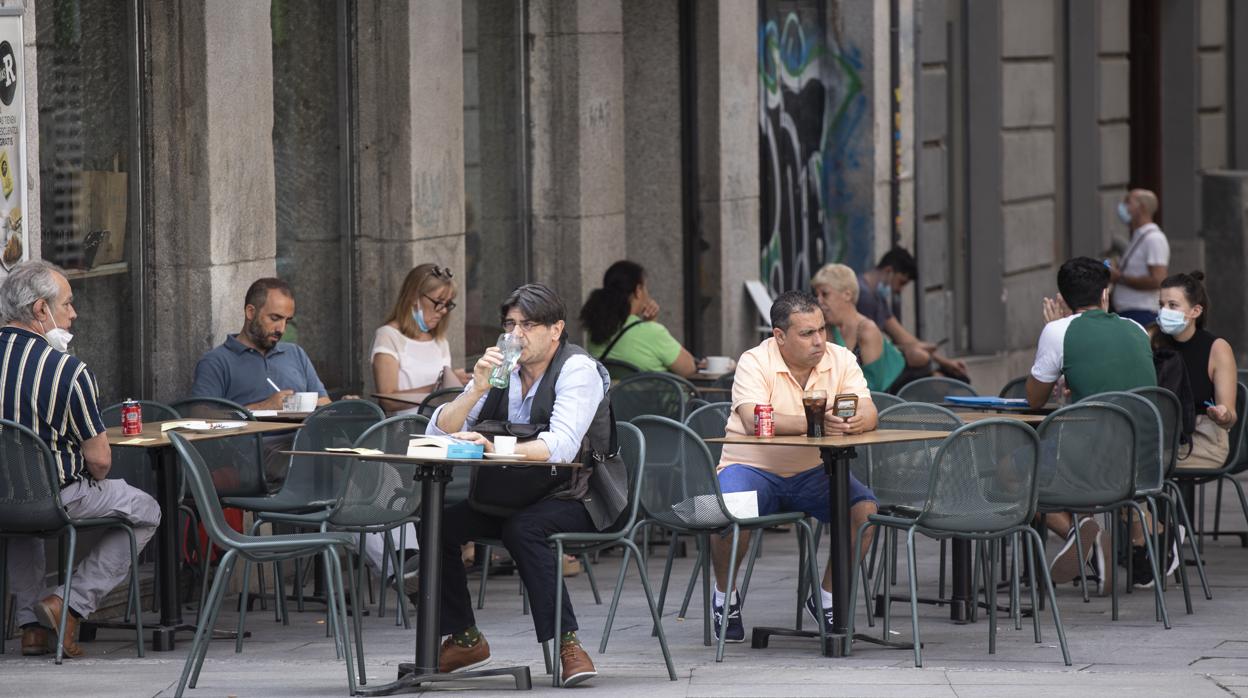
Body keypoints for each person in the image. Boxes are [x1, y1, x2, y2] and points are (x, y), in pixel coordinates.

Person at [426, 283, 627, 687]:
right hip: (510, 494)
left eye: (528, 325)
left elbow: (561, 447)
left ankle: (567, 643)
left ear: (556, 329)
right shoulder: (500, 370)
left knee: (526, 529)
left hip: (578, 494)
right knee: (435, 522)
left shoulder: (577, 369)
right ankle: (465, 637)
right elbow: (439, 431)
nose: (515, 335)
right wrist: (478, 388)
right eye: (510, 325)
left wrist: (495, 449)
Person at [0, 261, 161, 658]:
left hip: (3, 501)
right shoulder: (67, 370)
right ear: (41, 310)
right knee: (146, 509)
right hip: (59, 496)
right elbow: (100, 461)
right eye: (68, 304)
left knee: (21, 520)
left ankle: (32, 628)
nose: (73, 314)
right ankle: (69, 603)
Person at [711, 290, 878, 642]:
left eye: (821, 330)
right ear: (779, 336)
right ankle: (725, 597)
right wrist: (817, 420)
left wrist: (852, 423)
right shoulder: (754, 361)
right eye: (806, 334)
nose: (819, 341)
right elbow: (755, 419)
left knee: (864, 511)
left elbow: (869, 411)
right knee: (728, 513)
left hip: (814, 472)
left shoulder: (841, 358)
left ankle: (828, 599)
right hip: (752, 467)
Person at [1026, 256, 1157, 585]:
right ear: (1105, 294)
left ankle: (1082, 532)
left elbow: (1034, 399)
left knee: (1009, 474)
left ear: (1063, 299)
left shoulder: (1058, 332)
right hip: (1146, 459)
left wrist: (1052, 329)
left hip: (1089, 460)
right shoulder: (1137, 329)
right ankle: (1121, 539)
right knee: (1071, 445)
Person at [190, 277, 331, 411]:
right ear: (250, 312)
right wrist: (263, 407)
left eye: (287, 321)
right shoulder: (216, 361)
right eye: (275, 318)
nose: (281, 329)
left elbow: (324, 402)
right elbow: (202, 416)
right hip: (255, 436)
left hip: (300, 435)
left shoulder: (295, 353)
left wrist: (344, 406)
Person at [1154, 271, 1238, 469]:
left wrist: (1222, 415)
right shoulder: (1154, 341)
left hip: (1204, 440)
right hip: (1160, 437)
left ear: (1195, 311)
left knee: (1141, 467)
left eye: (1173, 305)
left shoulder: (1216, 348)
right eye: (1161, 305)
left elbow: (1230, 416)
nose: (1164, 311)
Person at [812, 263, 930, 393]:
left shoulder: (867, 330)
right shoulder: (827, 329)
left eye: (825, 294)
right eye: (816, 295)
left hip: (897, 390)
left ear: (847, 294)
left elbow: (874, 388)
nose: (819, 301)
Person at [856, 247, 968, 380]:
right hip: (866, 364)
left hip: (882, 358)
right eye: (901, 282)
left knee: (922, 356)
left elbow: (901, 335)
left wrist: (945, 362)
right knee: (919, 357)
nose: (899, 290)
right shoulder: (863, 296)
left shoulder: (878, 298)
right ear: (889, 271)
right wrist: (912, 349)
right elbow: (873, 344)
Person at [580, 260, 700, 377]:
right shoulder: (653, 332)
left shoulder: (596, 331)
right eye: (645, 287)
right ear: (638, 290)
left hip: (615, 397)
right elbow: (688, 368)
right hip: (655, 397)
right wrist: (651, 324)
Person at [371, 264, 463, 415]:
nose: (444, 310)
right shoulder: (388, 336)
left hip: (440, 429)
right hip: (404, 430)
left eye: (448, 304)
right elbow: (387, 401)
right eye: (439, 302)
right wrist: (439, 388)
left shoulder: (440, 341)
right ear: (414, 297)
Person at [1109, 188, 1169, 327]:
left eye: (1128, 202)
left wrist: (1119, 277)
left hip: (1141, 313)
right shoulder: (1139, 235)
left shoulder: (1154, 238)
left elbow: (1158, 280)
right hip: (1129, 312)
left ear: (1141, 207)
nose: (1123, 207)